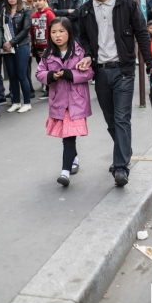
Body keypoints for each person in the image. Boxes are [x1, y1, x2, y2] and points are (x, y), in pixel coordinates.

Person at [77, 0, 152, 186]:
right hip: (100, 73)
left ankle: (121, 167)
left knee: (122, 119)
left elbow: (142, 34)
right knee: (111, 121)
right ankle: (124, 151)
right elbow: (82, 37)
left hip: (123, 71)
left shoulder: (128, 4)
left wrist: (150, 63)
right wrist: (86, 55)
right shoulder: (85, 9)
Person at [36, 18, 94, 186]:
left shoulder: (80, 52)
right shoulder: (48, 54)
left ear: (69, 32)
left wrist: (71, 74)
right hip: (59, 101)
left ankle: (65, 172)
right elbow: (39, 73)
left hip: (76, 101)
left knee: (69, 138)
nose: (57, 35)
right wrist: (50, 76)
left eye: (61, 31)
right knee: (67, 135)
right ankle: (73, 158)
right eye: (53, 32)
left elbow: (89, 73)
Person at [0, 0, 33, 113]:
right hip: (7, 47)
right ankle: (16, 102)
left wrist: (11, 42)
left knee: (21, 74)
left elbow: (26, 30)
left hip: (21, 46)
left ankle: (27, 102)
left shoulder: (25, 10)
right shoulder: (4, 11)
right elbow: (0, 28)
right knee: (12, 75)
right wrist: (4, 43)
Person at [30, 0, 56, 99]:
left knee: (50, 69)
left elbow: (53, 29)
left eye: (40, 0)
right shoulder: (33, 15)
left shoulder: (49, 14)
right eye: (35, 1)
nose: (37, 3)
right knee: (42, 69)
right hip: (37, 47)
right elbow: (31, 31)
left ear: (45, 1)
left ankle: (52, 91)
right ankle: (47, 89)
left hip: (48, 46)